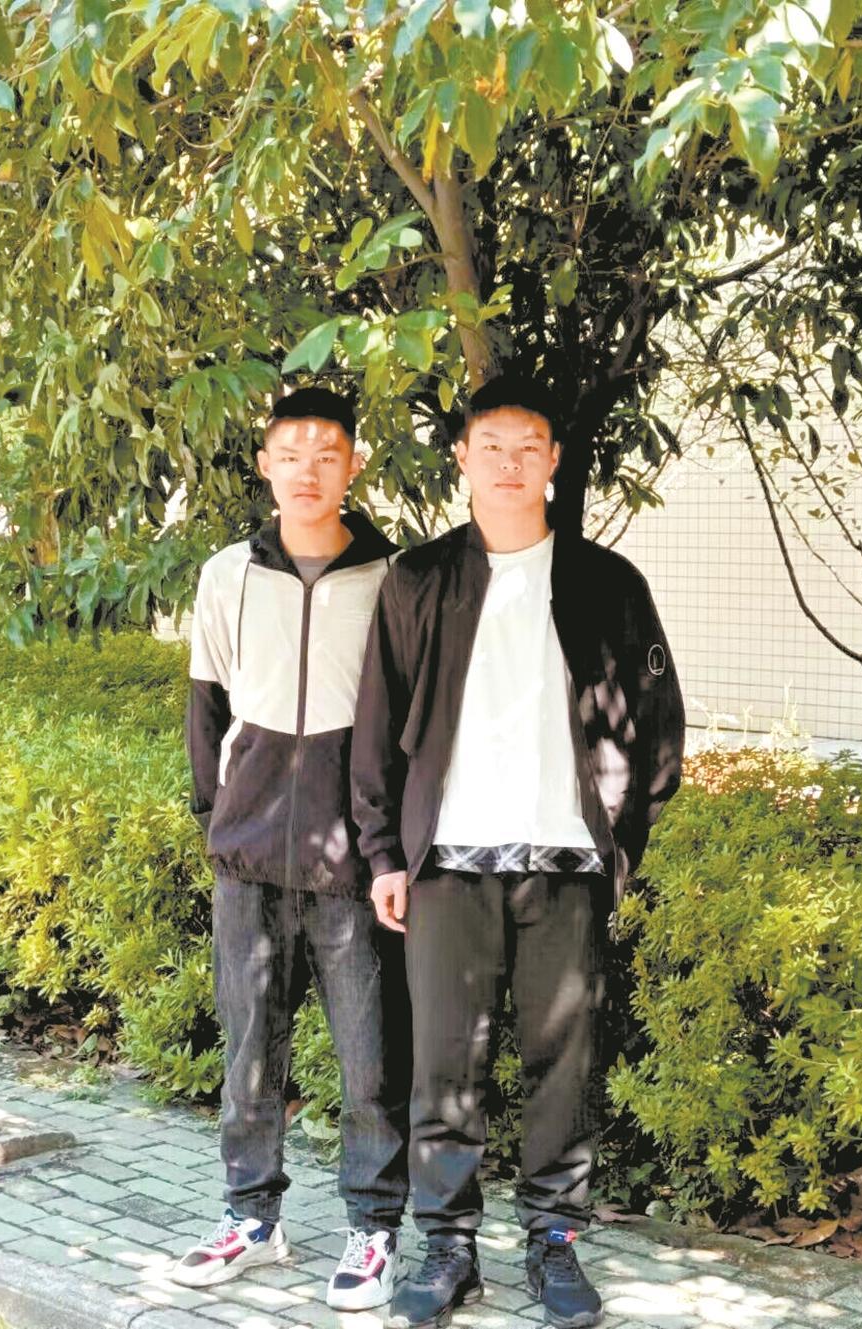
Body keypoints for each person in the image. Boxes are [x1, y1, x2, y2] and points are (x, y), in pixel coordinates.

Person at [352, 375, 685, 1329]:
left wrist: (621, 840)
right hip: (448, 864)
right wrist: (384, 853)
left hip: (565, 865)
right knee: (443, 1065)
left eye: (527, 447)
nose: (508, 464)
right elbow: (376, 730)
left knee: (562, 1064)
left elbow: (658, 727)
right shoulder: (418, 580)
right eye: (490, 446)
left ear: (553, 461)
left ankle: (554, 1238)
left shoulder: (608, 585)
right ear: (462, 458)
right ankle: (446, 1244)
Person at [176, 387, 410, 1310]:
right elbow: (207, 705)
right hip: (249, 855)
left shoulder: (393, 577)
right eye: (291, 454)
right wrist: (220, 819)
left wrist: (390, 846)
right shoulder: (226, 573)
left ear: (354, 465)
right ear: (264, 465)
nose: (308, 471)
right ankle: (252, 1217)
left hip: (353, 858)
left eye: (327, 454)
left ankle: (374, 1227)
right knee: (248, 1050)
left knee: (369, 1057)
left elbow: (407, 722)